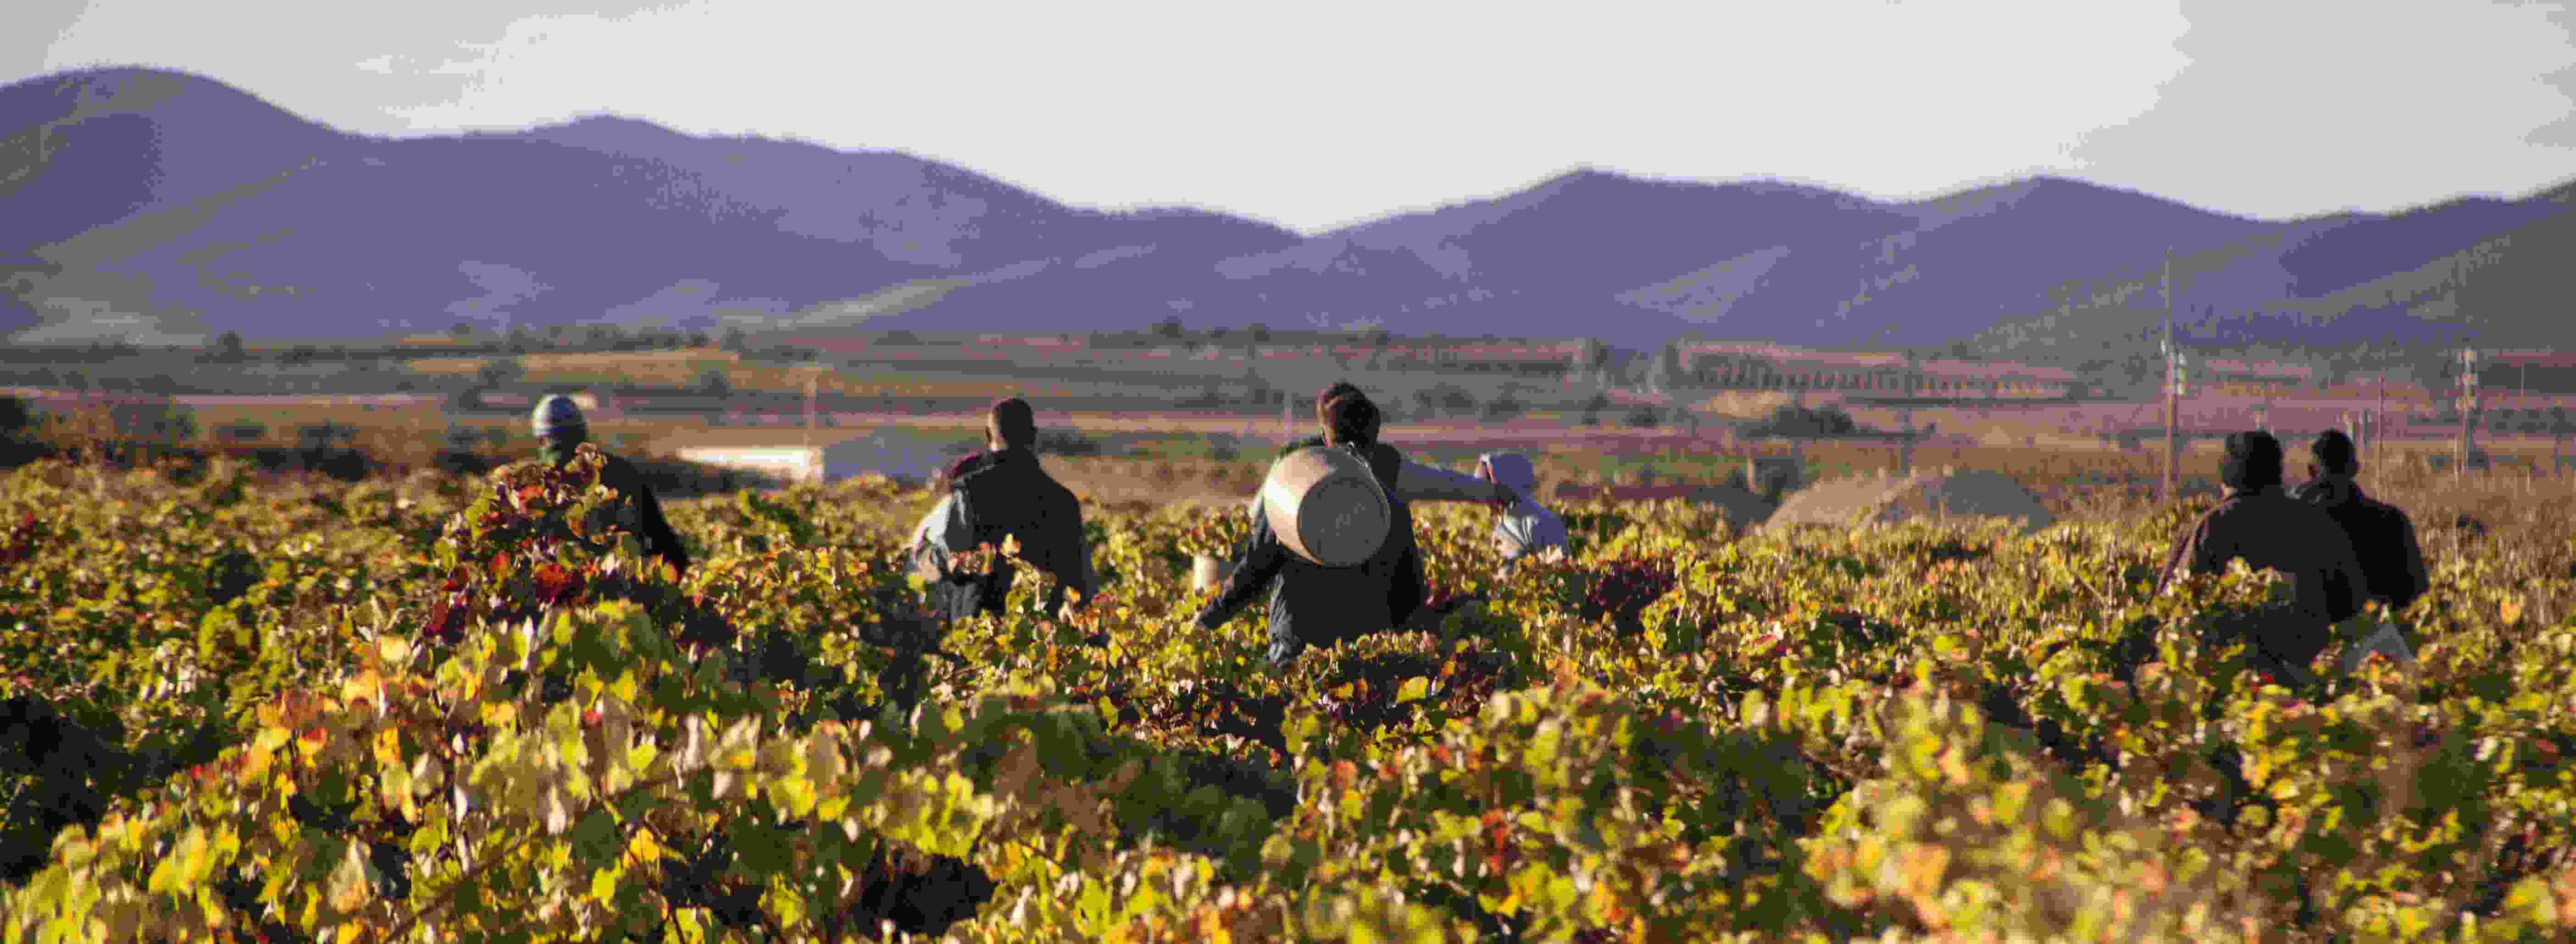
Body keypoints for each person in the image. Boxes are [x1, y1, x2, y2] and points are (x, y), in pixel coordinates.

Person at [1195, 391, 1427, 672]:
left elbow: (1254, 574)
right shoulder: (1392, 508)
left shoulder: (1292, 498)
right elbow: (1410, 596)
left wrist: (1206, 622)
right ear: (1374, 440)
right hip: (1367, 659)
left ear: (1325, 438)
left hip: (1295, 653)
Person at [2155, 431, 2368, 691]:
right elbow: (2351, 606)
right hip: (2308, 683)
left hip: (2223, 684)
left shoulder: (2208, 528)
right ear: (2277, 473)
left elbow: (2169, 610)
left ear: (2226, 477)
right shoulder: (2317, 524)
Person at [909, 397, 1094, 622]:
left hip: (979, 631)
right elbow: (1081, 581)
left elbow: (952, 556)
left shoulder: (970, 491)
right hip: (1043, 635)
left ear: (988, 436)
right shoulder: (1064, 501)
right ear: (1034, 436)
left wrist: (924, 556)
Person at [524, 393, 692, 575]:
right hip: (626, 590)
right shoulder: (623, 472)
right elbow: (661, 539)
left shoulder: (526, 484)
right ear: (582, 433)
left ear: (541, 438)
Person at [2287, 430, 2429, 615]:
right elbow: (2417, 593)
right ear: (2355, 469)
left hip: (2311, 639)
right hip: (2380, 637)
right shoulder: (2393, 521)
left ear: (2311, 471)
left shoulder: (2294, 524)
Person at [1474, 452, 1568, 568]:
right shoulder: (1504, 526)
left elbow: (1557, 568)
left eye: (1486, 493)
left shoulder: (1541, 524)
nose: (1484, 502)